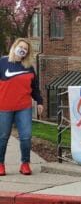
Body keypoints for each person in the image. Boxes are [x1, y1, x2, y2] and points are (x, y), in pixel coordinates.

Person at [0, 38, 44, 176]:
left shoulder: (29, 67)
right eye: (21, 46)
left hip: (24, 107)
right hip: (4, 107)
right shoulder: (2, 62)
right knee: (3, 137)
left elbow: (34, 87)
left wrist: (40, 101)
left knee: (26, 136)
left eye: (25, 49)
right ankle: (0, 164)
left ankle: (25, 164)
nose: (22, 50)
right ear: (14, 46)